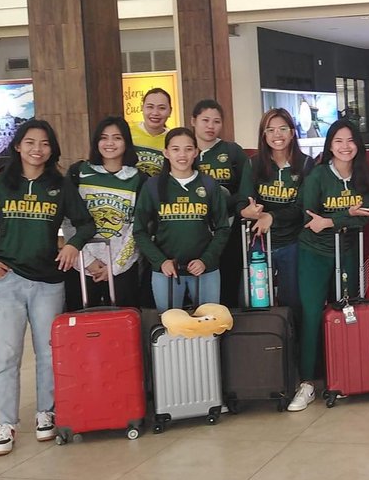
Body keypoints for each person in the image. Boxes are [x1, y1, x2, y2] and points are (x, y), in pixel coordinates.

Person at [0, 120, 96, 456]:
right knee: (7, 354)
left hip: (49, 282)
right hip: (7, 282)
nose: (36, 149)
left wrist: (73, 245)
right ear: (18, 146)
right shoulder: (0, 185)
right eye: (30, 143)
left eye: (44, 144)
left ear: (51, 149)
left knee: (48, 353)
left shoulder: (59, 185)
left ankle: (46, 411)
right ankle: (6, 423)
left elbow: (86, 223)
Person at [292, 119, 369, 411]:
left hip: (348, 253)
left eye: (350, 140)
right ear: (330, 145)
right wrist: (344, 216)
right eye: (338, 141)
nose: (345, 146)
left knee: (347, 312)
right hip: (314, 254)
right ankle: (307, 382)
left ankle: (345, 376)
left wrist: (332, 219)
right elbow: (308, 218)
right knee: (313, 314)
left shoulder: (364, 175)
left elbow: (365, 216)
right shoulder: (317, 176)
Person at [133, 127, 231, 311]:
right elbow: (139, 231)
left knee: (209, 327)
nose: (182, 155)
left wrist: (206, 260)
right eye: (175, 149)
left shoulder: (209, 185)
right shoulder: (152, 186)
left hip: (205, 270)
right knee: (171, 327)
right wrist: (160, 261)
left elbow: (223, 228)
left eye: (188, 149)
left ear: (196, 152)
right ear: (166, 153)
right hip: (166, 271)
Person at [237, 108, 314, 327]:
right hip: (258, 243)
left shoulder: (306, 164)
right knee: (252, 299)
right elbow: (242, 202)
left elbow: (303, 208)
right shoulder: (253, 163)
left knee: (293, 302)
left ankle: (293, 350)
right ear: (263, 135)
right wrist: (247, 212)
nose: (276, 135)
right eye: (270, 130)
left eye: (282, 129)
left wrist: (271, 216)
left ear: (292, 133)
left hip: (293, 244)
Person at [64, 117, 146, 310]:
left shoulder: (138, 179)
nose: (110, 143)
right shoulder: (78, 173)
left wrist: (114, 267)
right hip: (82, 263)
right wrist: (88, 261)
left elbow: (138, 227)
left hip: (122, 267)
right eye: (104, 137)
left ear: (126, 142)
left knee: (123, 326)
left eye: (117, 138)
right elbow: (69, 221)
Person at [192, 99, 251, 307]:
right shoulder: (185, 151)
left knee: (228, 278)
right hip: (193, 226)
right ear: (193, 121)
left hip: (229, 225)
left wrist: (225, 204)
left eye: (216, 121)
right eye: (205, 120)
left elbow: (246, 189)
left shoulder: (233, 151)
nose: (210, 126)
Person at [133, 87, 173, 177]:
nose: (155, 113)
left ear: (170, 111)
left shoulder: (172, 140)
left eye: (162, 108)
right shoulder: (127, 132)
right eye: (150, 107)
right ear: (142, 108)